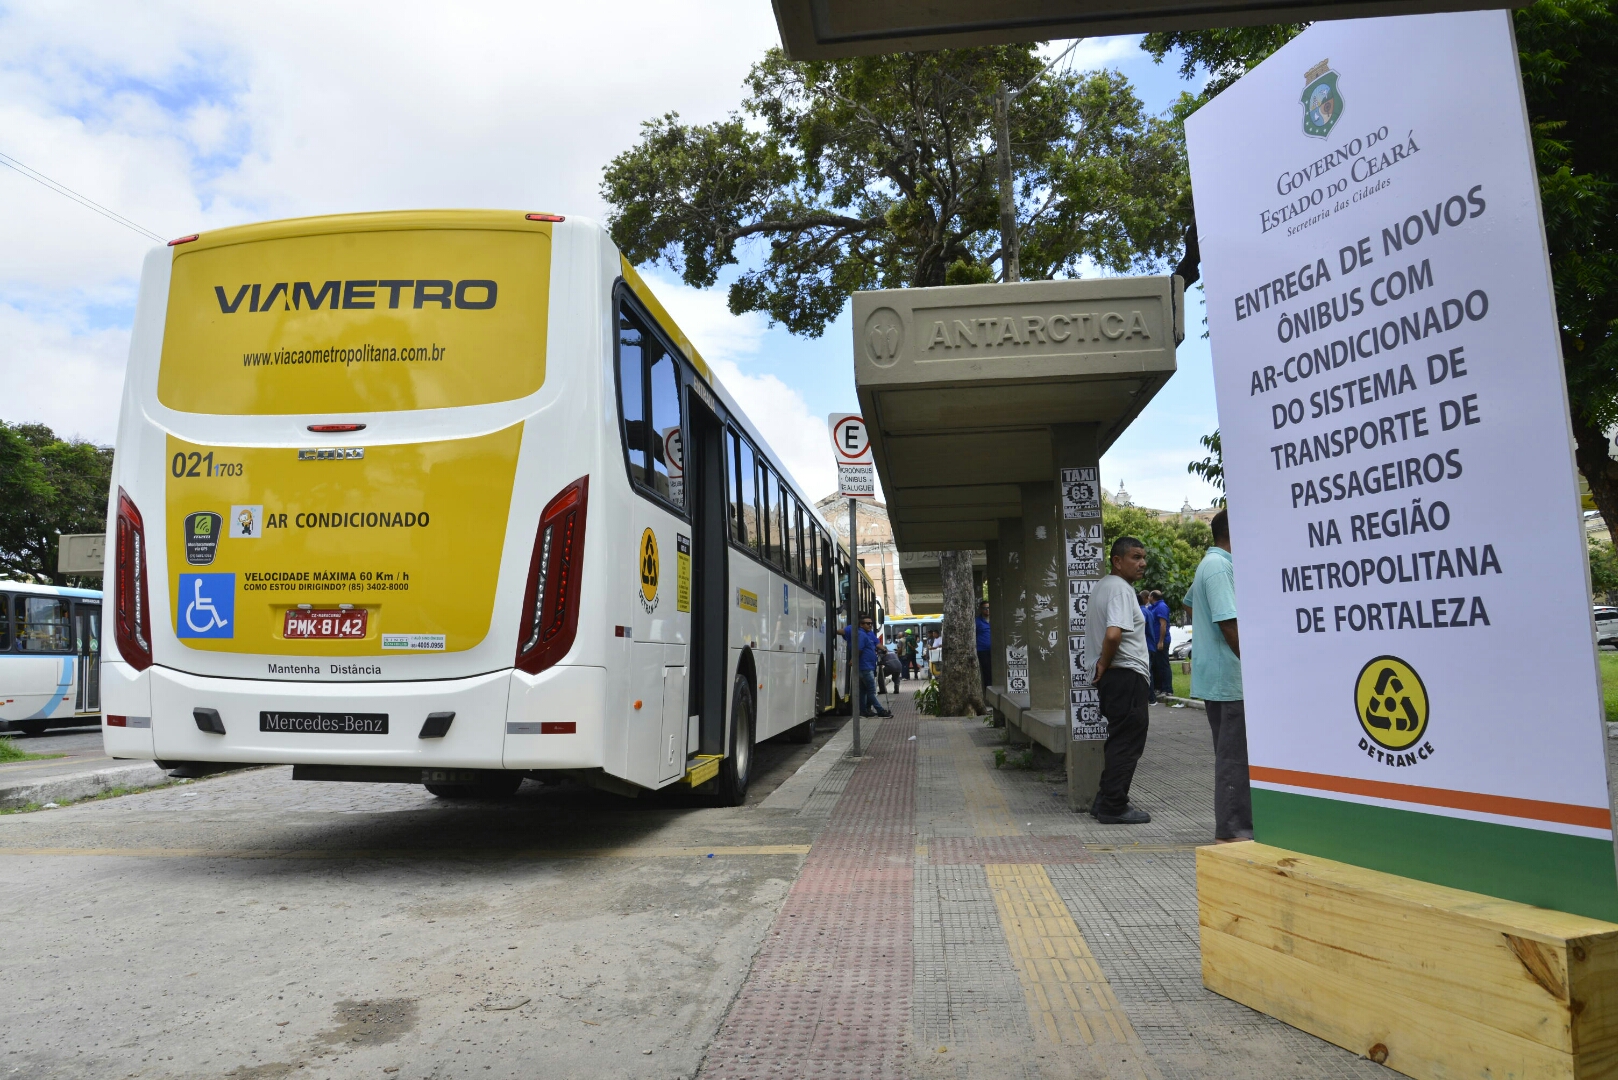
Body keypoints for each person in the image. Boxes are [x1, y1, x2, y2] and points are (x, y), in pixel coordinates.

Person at [1184, 509, 1249, 841]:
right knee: (1234, 757)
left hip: (1219, 675)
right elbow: (1228, 622)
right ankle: (1234, 828)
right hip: (1230, 677)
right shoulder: (1220, 566)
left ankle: (1239, 824)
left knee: (1233, 753)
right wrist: (1253, 666)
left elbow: (1191, 604)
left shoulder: (1210, 565)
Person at [1083, 536, 1153, 825]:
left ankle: (1104, 800)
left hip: (1116, 676)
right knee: (1127, 742)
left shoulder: (1102, 587)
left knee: (1118, 739)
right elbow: (1114, 634)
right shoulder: (1121, 590)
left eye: (1143, 557)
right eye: (1135, 557)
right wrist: (1104, 662)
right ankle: (1114, 805)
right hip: (1125, 674)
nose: (1142, 563)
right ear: (1117, 560)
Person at [845, 615, 892, 718]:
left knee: (863, 691)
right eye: (867, 623)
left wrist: (883, 649)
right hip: (865, 667)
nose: (870, 625)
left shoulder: (868, 634)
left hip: (867, 666)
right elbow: (859, 649)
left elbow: (875, 645)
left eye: (871, 623)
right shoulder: (861, 634)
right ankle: (880, 711)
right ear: (861, 624)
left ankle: (864, 711)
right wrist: (854, 659)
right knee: (871, 691)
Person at [1149, 589, 1174, 700]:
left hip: (1161, 641)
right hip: (1154, 641)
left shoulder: (1161, 607)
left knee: (1163, 665)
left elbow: (1163, 625)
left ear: (1152, 597)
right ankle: (1159, 688)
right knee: (1156, 665)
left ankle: (1167, 689)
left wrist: (1161, 641)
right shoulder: (1153, 607)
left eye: (1149, 595)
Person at [976, 601, 992, 690]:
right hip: (982, 650)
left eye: (989, 608)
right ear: (981, 609)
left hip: (994, 650)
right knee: (987, 672)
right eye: (985, 608)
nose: (987, 610)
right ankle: (988, 691)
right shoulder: (977, 621)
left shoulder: (995, 620)